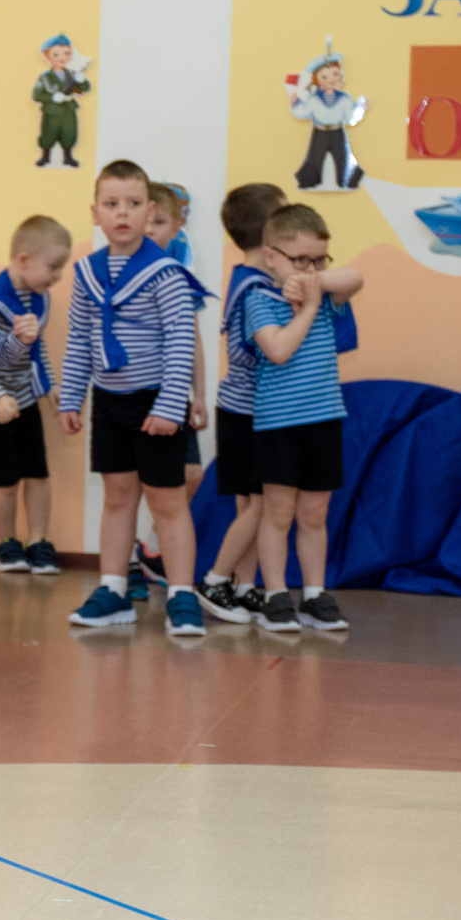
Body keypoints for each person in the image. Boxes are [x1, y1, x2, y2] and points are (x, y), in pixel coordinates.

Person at [57, 160, 204, 636]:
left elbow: (182, 340)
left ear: (150, 211)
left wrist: (169, 406)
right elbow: (80, 337)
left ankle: (182, 594)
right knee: (118, 498)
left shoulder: (165, 272)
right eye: (111, 204)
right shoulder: (87, 272)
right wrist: (72, 398)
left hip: (156, 402)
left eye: (134, 204)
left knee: (168, 501)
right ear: (95, 212)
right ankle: (114, 588)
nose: (122, 213)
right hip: (111, 401)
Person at [246, 205, 363, 634]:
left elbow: (356, 278)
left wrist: (312, 284)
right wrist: (309, 308)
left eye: (319, 260)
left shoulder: (326, 291)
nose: (312, 270)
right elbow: (278, 350)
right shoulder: (258, 301)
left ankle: (315, 593)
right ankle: (276, 593)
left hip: (323, 419)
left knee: (314, 513)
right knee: (278, 513)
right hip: (279, 425)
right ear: (270, 257)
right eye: (301, 261)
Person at [195, 183, 287, 623]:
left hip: (246, 409)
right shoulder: (256, 288)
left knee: (251, 505)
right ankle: (215, 579)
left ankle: (245, 585)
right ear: (271, 232)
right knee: (262, 507)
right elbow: (252, 351)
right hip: (247, 411)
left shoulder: (250, 277)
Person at [125, 181, 211, 598]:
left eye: (162, 222)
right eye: (148, 219)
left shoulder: (180, 277)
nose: (152, 228)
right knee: (126, 484)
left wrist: (198, 394)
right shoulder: (119, 270)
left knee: (188, 476)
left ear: (178, 227)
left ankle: (151, 547)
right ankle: (124, 567)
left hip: (171, 395)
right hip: (127, 396)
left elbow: (192, 340)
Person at [0, 215, 71, 576]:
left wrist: (49, 387)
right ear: (23, 260)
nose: (58, 276)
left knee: (38, 474)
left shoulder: (37, 297)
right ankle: (6, 544)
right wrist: (0, 396)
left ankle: (38, 540)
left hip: (25, 400)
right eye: (53, 267)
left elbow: (38, 348)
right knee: (3, 481)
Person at [289, 47, 365, 191]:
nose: (330, 79)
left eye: (335, 74)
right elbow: (303, 112)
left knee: (343, 157)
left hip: (337, 131)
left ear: (340, 77)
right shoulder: (314, 99)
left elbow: (350, 117)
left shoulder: (344, 99)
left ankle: (348, 180)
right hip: (320, 132)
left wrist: (360, 107)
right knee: (314, 158)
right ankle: (309, 181)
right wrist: (294, 102)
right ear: (317, 79)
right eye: (324, 77)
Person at [34, 36, 90, 169]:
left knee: (69, 133)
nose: (62, 58)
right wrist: (52, 98)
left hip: (68, 110)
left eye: (67, 53)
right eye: (56, 54)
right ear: (47, 56)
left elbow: (85, 88)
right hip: (52, 111)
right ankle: (45, 156)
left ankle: (68, 157)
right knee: (49, 133)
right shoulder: (45, 77)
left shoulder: (72, 74)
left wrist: (81, 80)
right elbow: (36, 96)